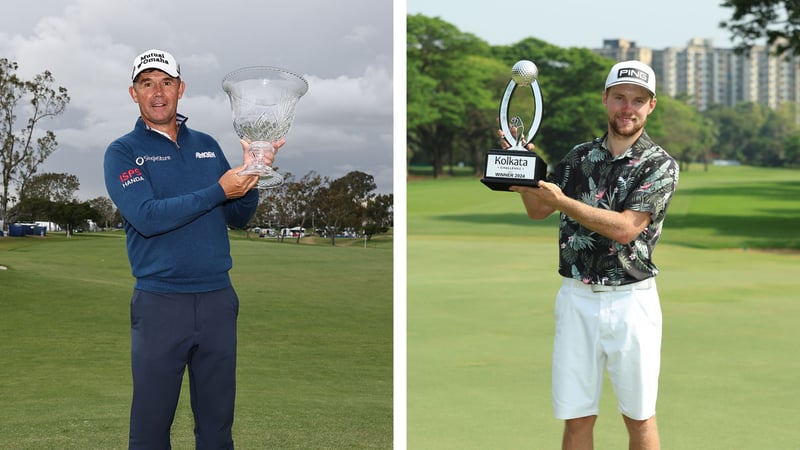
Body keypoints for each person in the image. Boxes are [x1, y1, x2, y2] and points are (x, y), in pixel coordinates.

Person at [104, 49, 282, 449]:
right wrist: (217, 190)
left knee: (217, 427)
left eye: (166, 82)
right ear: (134, 93)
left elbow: (237, 215)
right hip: (160, 303)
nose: (158, 92)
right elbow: (147, 216)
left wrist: (253, 171)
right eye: (146, 83)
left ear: (180, 89)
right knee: (150, 429)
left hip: (218, 300)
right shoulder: (123, 152)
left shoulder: (206, 145)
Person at [505, 60, 679, 449]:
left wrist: (562, 201)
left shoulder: (660, 164)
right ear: (605, 100)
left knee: (639, 417)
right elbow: (538, 211)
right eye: (620, 97)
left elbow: (626, 228)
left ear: (651, 106)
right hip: (576, 298)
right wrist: (523, 175)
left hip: (632, 302)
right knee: (576, 417)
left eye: (638, 100)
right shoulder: (579, 157)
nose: (627, 107)